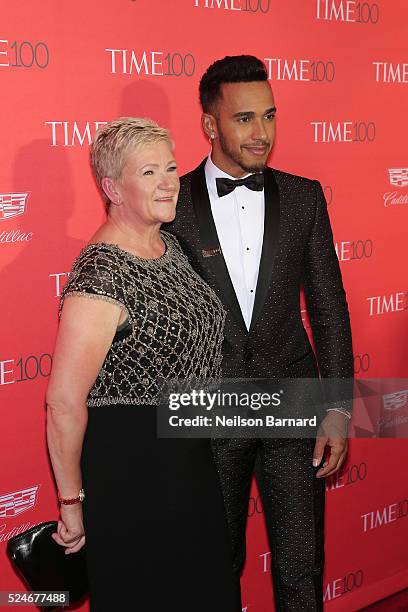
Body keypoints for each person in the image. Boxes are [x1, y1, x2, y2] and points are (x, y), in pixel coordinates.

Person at [167, 55, 354, 611]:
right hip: (210, 409)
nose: (262, 133)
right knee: (212, 565)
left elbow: (329, 307)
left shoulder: (304, 196)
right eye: (245, 119)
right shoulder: (171, 205)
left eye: (269, 116)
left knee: (301, 565)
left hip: (292, 400)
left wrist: (339, 407)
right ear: (210, 125)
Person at [45, 117, 241, 612]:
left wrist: (338, 409)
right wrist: (71, 505)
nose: (169, 182)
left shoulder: (168, 244)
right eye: (150, 172)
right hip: (133, 470)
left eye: (171, 168)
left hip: (189, 459)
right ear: (111, 187)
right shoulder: (102, 272)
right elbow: (64, 401)